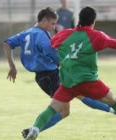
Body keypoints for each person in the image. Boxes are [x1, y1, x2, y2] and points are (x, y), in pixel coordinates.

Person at [24, 6, 116, 140]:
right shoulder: (96, 36)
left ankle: (35, 129)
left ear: (79, 19)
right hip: (89, 82)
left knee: (51, 109)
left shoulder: (64, 34)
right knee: (112, 100)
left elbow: (52, 44)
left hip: (68, 84)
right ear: (93, 22)